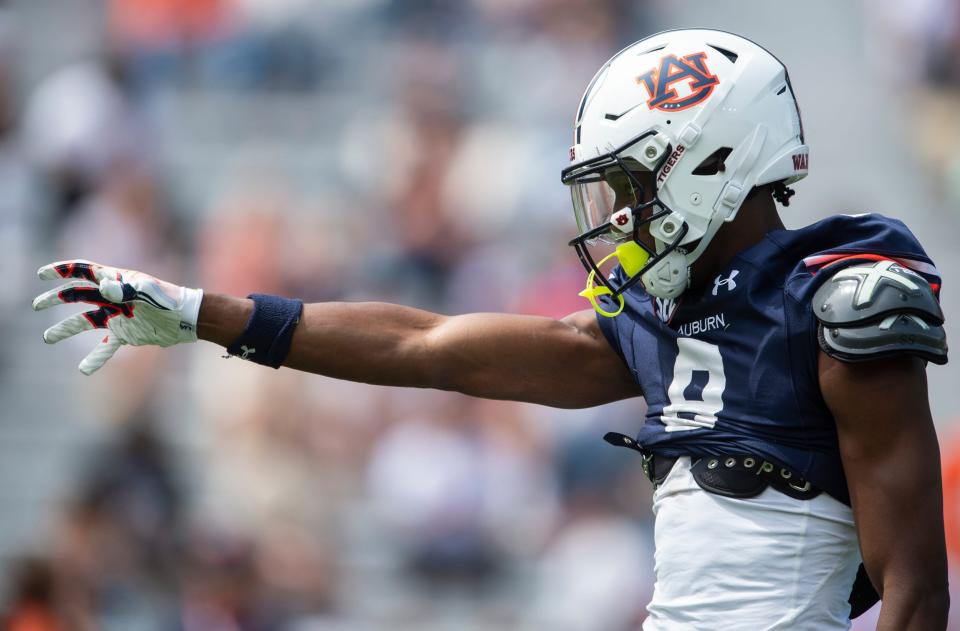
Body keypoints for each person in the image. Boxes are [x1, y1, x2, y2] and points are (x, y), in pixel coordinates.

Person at [32, 29, 949, 630]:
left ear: (710, 167)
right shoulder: (653, 319)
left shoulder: (835, 305)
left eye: (628, 187)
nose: (611, 216)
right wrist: (209, 313)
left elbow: (913, 589)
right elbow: (424, 345)